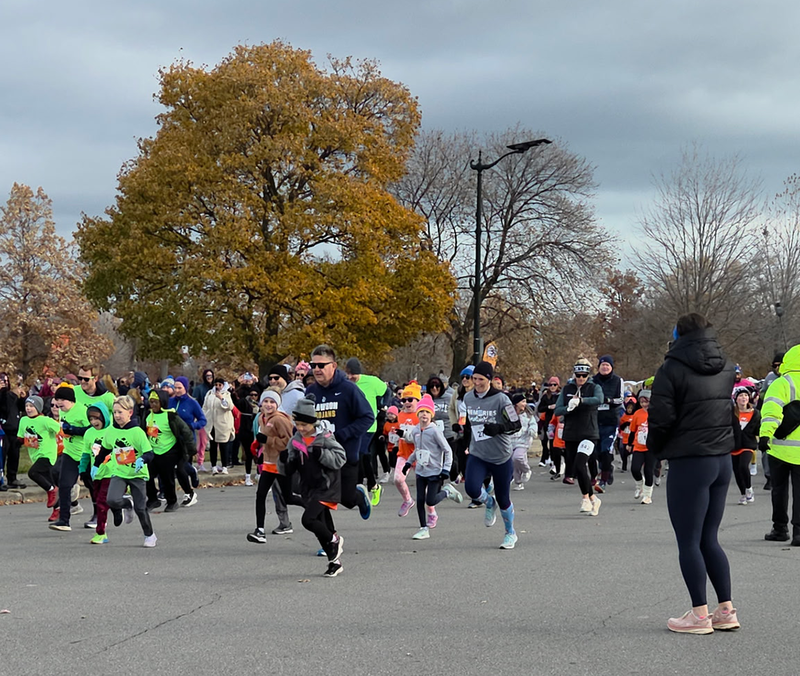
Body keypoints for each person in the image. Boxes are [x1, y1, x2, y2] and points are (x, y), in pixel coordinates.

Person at [648, 313, 740, 634]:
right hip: (721, 459)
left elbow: (660, 418)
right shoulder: (726, 365)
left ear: (678, 335)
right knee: (709, 537)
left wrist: (655, 452)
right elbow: (729, 411)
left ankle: (699, 615)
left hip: (690, 460)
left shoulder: (671, 368)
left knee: (688, 540)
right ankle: (725, 609)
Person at [304, 345, 374, 520]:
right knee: (321, 498)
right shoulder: (311, 391)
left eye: (321, 365)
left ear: (333, 366)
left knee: (347, 499)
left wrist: (342, 435)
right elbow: (303, 419)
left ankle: (359, 496)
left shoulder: (348, 389)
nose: (317, 370)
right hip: (320, 455)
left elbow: (367, 417)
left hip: (345, 454)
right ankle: (329, 541)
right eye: (313, 366)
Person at [281, 394, 347, 577]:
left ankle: (335, 540)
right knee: (323, 525)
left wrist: (322, 455)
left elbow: (341, 459)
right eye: (298, 424)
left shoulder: (324, 437)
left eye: (305, 425)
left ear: (313, 423)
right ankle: (335, 562)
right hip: (309, 488)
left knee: (308, 520)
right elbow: (287, 467)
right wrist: (286, 461)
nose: (301, 428)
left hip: (327, 487)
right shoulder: (295, 441)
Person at [463, 361, 522, 549]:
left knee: (504, 499)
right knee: (472, 489)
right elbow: (469, 425)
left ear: (489, 380)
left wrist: (498, 428)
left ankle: (510, 533)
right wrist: (464, 444)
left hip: (500, 456)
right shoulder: (468, 398)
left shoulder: (502, 399)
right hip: (478, 453)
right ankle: (489, 502)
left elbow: (516, 424)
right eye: (474, 379)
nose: (477, 383)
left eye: (481, 379)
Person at [401, 394, 463, 540]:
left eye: (427, 412)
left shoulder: (434, 431)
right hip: (421, 471)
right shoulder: (416, 431)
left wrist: (446, 469)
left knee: (431, 501)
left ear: (431, 415)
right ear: (418, 414)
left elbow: (447, 450)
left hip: (435, 471)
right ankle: (423, 528)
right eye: (422, 411)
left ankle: (447, 491)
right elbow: (417, 450)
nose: (424, 415)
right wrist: (408, 463)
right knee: (420, 500)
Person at [101, 396, 158, 547]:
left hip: (137, 474)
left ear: (130, 412)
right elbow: (105, 448)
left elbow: (149, 453)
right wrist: (96, 465)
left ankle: (149, 535)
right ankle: (127, 504)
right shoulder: (111, 430)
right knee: (111, 500)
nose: (117, 415)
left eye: (120, 412)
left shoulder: (137, 432)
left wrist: (142, 460)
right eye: (114, 412)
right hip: (119, 472)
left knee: (140, 508)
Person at [760, 343, 800, 545]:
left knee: (779, 490)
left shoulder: (781, 383)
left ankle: (780, 529)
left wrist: (765, 436)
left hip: (779, 448)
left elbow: (770, 412)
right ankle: (799, 533)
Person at [554, 359, 603, 516]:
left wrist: (581, 401)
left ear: (588, 375)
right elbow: (557, 410)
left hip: (589, 433)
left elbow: (599, 399)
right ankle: (593, 498)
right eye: (578, 375)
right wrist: (568, 408)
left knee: (581, 462)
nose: (581, 378)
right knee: (576, 467)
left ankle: (585, 499)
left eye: (584, 375)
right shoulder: (567, 388)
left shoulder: (594, 387)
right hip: (571, 433)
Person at [246, 390, 296, 542]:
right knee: (260, 495)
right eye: (266, 401)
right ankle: (259, 530)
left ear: (277, 404)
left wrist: (267, 440)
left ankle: (314, 508)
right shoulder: (262, 418)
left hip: (281, 464)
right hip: (268, 464)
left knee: (288, 497)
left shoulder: (280, 420)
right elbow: (263, 438)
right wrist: (258, 448)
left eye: (272, 402)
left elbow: (289, 442)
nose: (268, 405)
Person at [345, 357, 390, 506]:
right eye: (349, 374)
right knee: (357, 456)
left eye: (354, 375)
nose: (351, 378)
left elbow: (387, 392)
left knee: (361, 454)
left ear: (359, 373)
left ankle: (369, 487)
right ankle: (364, 488)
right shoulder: (346, 385)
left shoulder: (371, 381)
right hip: (353, 425)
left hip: (369, 425)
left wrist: (381, 406)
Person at [144, 390, 197, 512]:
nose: (152, 405)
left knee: (167, 478)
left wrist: (191, 450)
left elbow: (186, 431)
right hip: (153, 451)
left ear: (162, 402)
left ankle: (172, 501)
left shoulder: (171, 416)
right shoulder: (147, 415)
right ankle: (153, 499)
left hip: (168, 451)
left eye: (155, 402)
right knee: (147, 476)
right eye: (150, 402)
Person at [49, 385, 90, 531]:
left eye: (62, 401)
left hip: (86, 454)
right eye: (57, 400)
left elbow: (91, 430)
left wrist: (73, 430)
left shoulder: (82, 411)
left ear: (71, 400)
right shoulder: (62, 411)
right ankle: (64, 521)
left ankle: (102, 515)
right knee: (64, 485)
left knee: (93, 486)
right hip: (70, 453)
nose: (59, 404)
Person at [18, 395, 60, 513]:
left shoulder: (45, 420)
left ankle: (52, 490)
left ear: (38, 408)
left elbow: (61, 430)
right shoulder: (23, 420)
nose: (28, 408)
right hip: (34, 455)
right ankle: (58, 509)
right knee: (48, 480)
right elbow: (21, 437)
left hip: (47, 454)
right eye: (27, 406)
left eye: (31, 406)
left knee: (33, 473)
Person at [82, 402, 113, 543]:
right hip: (97, 473)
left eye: (96, 418)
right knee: (98, 498)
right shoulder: (89, 433)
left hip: (111, 472)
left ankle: (101, 533)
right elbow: (85, 454)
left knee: (101, 502)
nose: (94, 422)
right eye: (91, 419)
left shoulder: (112, 430)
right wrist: (82, 470)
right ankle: (121, 507)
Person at [592, 355, 624, 489]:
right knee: (596, 452)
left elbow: (621, 399)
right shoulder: (592, 381)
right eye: (602, 365)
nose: (605, 367)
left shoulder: (618, 380)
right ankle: (607, 468)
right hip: (595, 420)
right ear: (598, 367)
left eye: (607, 365)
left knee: (606, 450)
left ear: (611, 367)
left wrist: (609, 401)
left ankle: (603, 480)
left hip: (610, 421)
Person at [393, 381, 420, 517]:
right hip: (404, 454)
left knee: (424, 488)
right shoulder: (400, 415)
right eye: (404, 400)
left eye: (410, 399)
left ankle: (432, 513)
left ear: (418, 400)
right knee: (398, 478)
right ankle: (408, 500)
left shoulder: (421, 415)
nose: (407, 402)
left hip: (420, 455)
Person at [627, 390, 655, 504]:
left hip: (652, 447)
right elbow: (632, 431)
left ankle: (647, 495)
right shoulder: (637, 413)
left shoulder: (656, 413)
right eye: (642, 402)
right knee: (635, 469)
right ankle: (639, 485)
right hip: (638, 446)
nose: (645, 404)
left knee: (649, 470)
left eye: (647, 402)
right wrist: (629, 444)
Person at [203, 377, 235, 474]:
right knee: (213, 446)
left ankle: (224, 466)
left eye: (219, 385)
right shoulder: (209, 393)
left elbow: (230, 407)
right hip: (211, 423)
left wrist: (221, 398)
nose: (217, 387)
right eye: (216, 385)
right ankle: (213, 466)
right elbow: (205, 407)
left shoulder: (227, 394)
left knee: (223, 445)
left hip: (222, 424)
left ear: (223, 385)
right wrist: (203, 417)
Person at [0, 372, 25, 489]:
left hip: (15, 429)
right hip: (3, 430)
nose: (4, 384)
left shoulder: (12, 396)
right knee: (2, 455)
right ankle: (1, 478)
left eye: (6, 381)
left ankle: (12, 478)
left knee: (14, 455)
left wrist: (22, 398)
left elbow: (20, 408)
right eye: (2, 381)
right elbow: (4, 406)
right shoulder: (4, 396)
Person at [510, 393, 534, 490]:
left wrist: (532, 430)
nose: (525, 404)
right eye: (522, 401)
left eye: (525, 401)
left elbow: (533, 424)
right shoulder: (510, 414)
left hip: (523, 441)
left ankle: (526, 470)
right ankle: (518, 482)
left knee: (518, 457)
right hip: (511, 441)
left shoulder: (528, 415)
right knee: (513, 462)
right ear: (516, 403)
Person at [192, 369, 215, 470]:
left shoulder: (216, 389)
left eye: (211, 376)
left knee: (215, 441)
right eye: (207, 376)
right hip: (203, 417)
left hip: (215, 418)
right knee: (203, 441)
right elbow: (194, 402)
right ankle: (200, 462)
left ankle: (213, 464)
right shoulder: (199, 389)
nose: (209, 378)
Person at [537, 377, 560, 470]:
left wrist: (557, 407)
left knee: (555, 443)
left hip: (558, 422)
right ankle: (547, 459)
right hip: (548, 422)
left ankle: (555, 461)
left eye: (555, 385)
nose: (552, 387)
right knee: (546, 441)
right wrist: (549, 407)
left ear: (558, 385)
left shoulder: (560, 395)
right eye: (551, 385)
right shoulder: (546, 396)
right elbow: (540, 408)